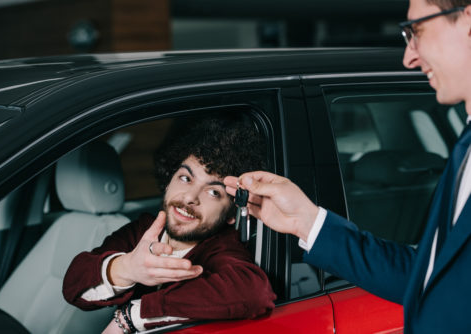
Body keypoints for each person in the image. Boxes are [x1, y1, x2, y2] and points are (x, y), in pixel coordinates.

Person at [224, 0, 471, 333]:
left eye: (417, 30)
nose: (409, 57)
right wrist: (306, 222)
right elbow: (425, 278)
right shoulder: (464, 148)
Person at [63, 118, 276, 333]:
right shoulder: (144, 229)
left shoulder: (223, 247)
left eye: (214, 192)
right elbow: (74, 285)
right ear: (169, 180)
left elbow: (255, 292)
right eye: (185, 178)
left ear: (231, 214)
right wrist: (127, 268)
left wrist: (133, 316)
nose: (190, 197)